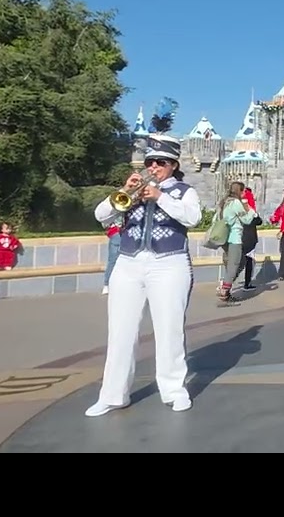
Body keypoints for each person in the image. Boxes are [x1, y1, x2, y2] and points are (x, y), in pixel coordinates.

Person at [85, 135, 202, 417]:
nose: (154, 167)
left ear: (173, 165)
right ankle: (113, 395)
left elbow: (192, 218)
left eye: (161, 163)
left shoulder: (184, 191)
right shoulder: (133, 190)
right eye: (150, 162)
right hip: (128, 263)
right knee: (121, 331)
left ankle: (174, 390)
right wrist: (126, 190)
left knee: (169, 330)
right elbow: (102, 215)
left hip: (168, 263)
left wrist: (160, 197)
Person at [216, 181, 258, 302]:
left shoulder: (224, 202)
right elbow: (246, 219)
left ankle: (226, 286)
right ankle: (224, 290)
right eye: (243, 190)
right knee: (235, 265)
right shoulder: (235, 203)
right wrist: (250, 210)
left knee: (240, 261)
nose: (245, 193)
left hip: (224, 238)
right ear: (239, 191)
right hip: (234, 238)